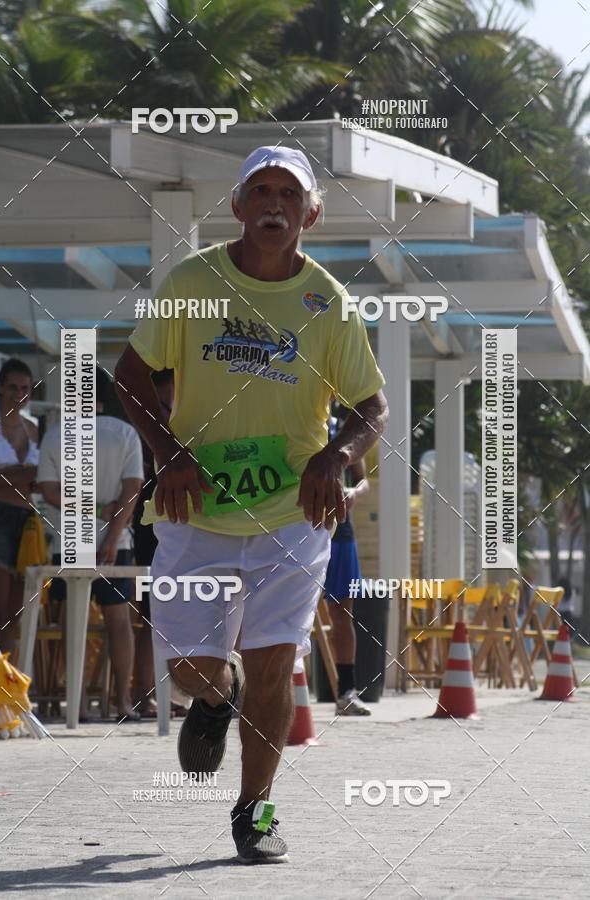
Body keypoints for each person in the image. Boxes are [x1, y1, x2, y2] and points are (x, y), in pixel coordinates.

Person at [115, 145, 388, 862]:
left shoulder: (326, 301)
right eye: (260, 192)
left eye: (289, 195)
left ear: (311, 213)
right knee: (189, 671)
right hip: (195, 513)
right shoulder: (193, 282)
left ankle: (255, 811)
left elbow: (373, 406)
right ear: (236, 207)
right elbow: (129, 375)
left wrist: (338, 454)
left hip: (290, 521)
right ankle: (213, 699)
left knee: (274, 665)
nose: (274, 205)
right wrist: (167, 454)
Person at [37, 367, 143, 721]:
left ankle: (78, 702)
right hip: (118, 538)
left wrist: (92, 509)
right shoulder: (125, 433)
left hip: (70, 538)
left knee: (73, 622)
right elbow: (132, 489)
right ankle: (123, 701)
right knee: (119, 620)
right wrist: (112, 532)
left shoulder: (55, 435)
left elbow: (50, 492)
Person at [131, 368, 175, 717]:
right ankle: (142, 692)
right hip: (147, 522)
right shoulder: (143, 428)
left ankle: (168, 692)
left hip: (178, 518)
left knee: (180, 607)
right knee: (150, 612)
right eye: (163, 403)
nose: (170, 408)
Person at [324, 402, 371, 716]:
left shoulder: (345, 428)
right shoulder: (289, 415)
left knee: (342, 612)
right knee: (283, 611)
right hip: (294, 530)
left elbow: (363, 480)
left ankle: (347, 692)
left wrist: (353, 493)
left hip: (340, 530)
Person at [0, 358, 38, 656]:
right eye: (12, 387)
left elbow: (42, 479)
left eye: (25, 388)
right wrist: (20, 475)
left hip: (27, 519)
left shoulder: (32, 428)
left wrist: (4, 475)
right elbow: (32, 475)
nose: (18, 394)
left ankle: (5, 687)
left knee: (15, 613)